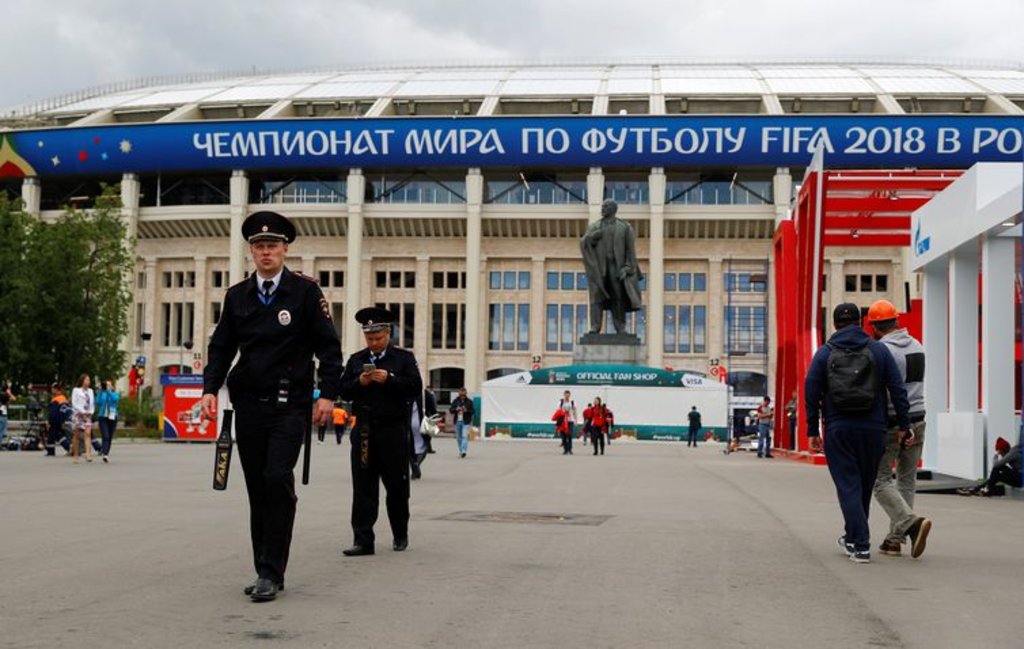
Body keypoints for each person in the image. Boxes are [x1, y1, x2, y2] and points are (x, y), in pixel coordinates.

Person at [201, 210, 342, 602]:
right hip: (249, 404)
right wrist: (209, 389)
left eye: (273, 246)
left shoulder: (305, 292)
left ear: (285, 250)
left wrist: (328, 394)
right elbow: (221, 348)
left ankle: (270, 571)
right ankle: (265, 566)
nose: (266, 252)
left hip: (289, 404)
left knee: (277, 478)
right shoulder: (237, 296)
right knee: (257, 488)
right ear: (251, 252)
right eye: (259, 246)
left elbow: (329, 348)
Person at [805, 303, 911, 564]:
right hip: (874, 428)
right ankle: (852, 537)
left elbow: (811, 392)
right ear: (862, 322)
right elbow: (897, 389)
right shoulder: (878, 350)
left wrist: (812, 429)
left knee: (847, 486)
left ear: (835, 324)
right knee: (863, 486)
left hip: (838, 427)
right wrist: (904, 425)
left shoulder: (824, 354)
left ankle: (860, 544)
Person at [340, 306, 422, 557]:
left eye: (378, 338)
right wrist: (360, 382)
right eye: (370, 338)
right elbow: (344, 390)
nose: (374, 343)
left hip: (392, 429)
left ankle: (400, 533)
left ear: (388, 334)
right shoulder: (356, 359)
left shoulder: (403, 359)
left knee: (396, 485)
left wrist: (390, 379)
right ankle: (363, 539)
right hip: (364, 430)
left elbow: (414, 388)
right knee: (363, 485)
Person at [867, 300, 932, 558]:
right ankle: (894, 540)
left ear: (875, 326)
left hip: (894, 422)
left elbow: (881, 389)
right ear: (895, 320)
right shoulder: (918, 346)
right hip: (919, 418)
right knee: (906, 480)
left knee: (880, 480)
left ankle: (911, 524)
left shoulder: (881, 351)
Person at [579, 199, 644, 334]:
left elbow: (630, 252)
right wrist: (590, 238)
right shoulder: (595, 226)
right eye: (602, 206)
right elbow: (583, 242)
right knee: (596, 297)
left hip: (616, 267)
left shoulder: (624, 227)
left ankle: (620, 327)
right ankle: (595, 327)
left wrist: (628, 267)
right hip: (600, 268)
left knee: (618, 296)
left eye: (606, 206)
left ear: (614, 209)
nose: (603, 208)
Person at [958, 437, 1022, 496]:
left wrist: (995, 455)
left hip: (1020, 479)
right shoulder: (1014, 452)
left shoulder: (1012, 453)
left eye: (1000, 452)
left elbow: (996, 465)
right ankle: (979, 489)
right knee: (998, 476)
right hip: (1019, 479)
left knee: (998, 467)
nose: (1000, 455)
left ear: (1003, 450)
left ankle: (980, 489)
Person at [70, 374, 95, 463]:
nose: (88, 382)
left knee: (88, 434)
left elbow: (92, 403)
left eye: (89, 380)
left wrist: (91, 412)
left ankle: (88, 454)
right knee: (76, 435)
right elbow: (74, 403)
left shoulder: (91, 391)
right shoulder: (76, 390)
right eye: (87, 380)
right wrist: (82, 411)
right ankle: (76, 454)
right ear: (82, 381)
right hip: (78, 415)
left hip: (87, 415)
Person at [95, 379, 120, 463]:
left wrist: (108, 391)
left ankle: (106, 454)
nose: (107, 386)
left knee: (109, 436)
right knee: (105, 435)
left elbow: (114, 399)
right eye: (106, 385)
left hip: (112, 417)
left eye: (109, 385)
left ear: (112, 386)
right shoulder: (102, 394)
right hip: (103, 417)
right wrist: (99, 391)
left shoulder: (114, 394)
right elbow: (97, 402)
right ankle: (104, 452)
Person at [45, 383, 71, 456]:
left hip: (55, 421)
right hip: (61, 420)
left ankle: (51, 451)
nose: (52, 391)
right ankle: (68, 447)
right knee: (59, 435)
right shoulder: (63, 398)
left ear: (56, 390)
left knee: (51, 436)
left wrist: (49, 422)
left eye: (52, 389)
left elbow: (53, 412)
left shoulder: (55, 400)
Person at [449, 387, 474, 458]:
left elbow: (473, 411)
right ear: (459, 394)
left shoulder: (469, 401)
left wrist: (466, 410)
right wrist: (456, 409)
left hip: (466, 421)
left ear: (466, 394)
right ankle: (461, 451)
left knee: (464, 436)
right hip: (457, 421)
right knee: (458, 437)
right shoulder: (455, 401)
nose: (462, 396)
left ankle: (464, 451)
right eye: (461, 394)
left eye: (464, 394)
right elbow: (451, 410)